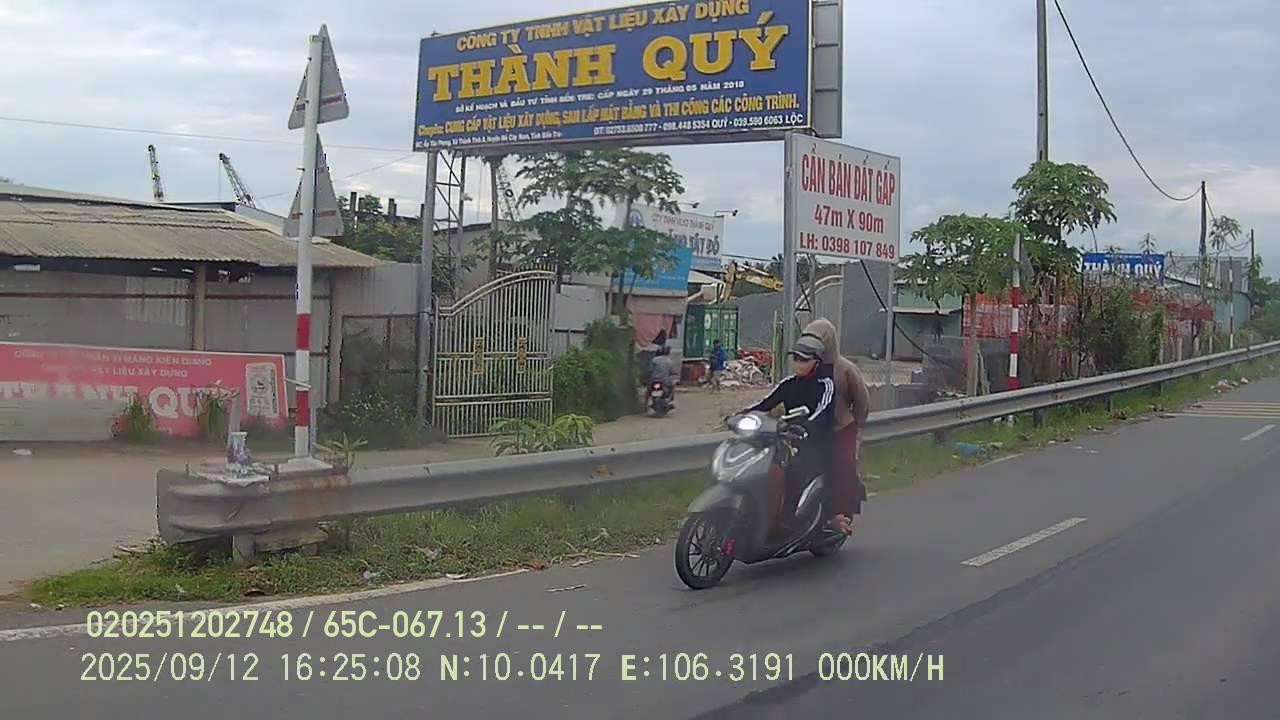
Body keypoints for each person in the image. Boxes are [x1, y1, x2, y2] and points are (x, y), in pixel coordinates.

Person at [742, 333, 836, 533]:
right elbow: (766, 404)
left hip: (815, 442)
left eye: (804, 360)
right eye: (796, 358)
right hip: (787, 439)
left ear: (816, 362)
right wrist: (742, 415)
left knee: (794, 472)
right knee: (761, 468)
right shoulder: (788, 384)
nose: (798, 364)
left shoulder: (825, 385)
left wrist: (806, 427)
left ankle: (788, 520)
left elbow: (823, 411)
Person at [802, 318, 871, 536]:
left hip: (841, 428)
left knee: (843, 468)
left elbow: (862, 400)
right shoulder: (807, 367)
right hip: (813, 429)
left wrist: (857, 425)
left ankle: (841, 516)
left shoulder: (845, 369)